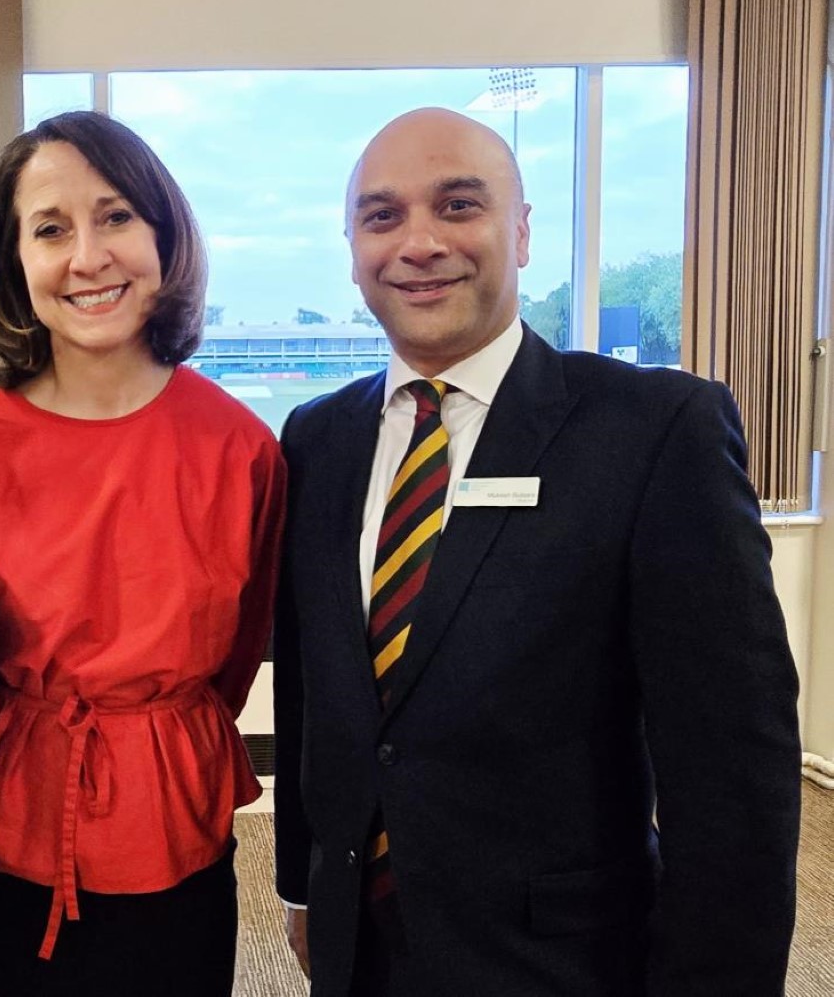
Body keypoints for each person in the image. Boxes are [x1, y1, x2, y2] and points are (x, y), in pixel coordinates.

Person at [273, 107, 801, 995]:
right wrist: (303, 887)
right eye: (382, 215)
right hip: (361, 948)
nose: (419, 242)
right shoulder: (317, 439)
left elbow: (733, 777)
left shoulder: (654, 432)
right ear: (354, 248)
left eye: (459, 205)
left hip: (564, 960)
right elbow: (311, 694)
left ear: (519, 233)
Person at [0, 110, 286, 997]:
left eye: (116, 216)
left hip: (172, 816)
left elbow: (239, 655)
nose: (88, 256)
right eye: (50, 229)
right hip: (8, 818)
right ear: (14, 262)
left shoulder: (241, 448)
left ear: (164, 234)